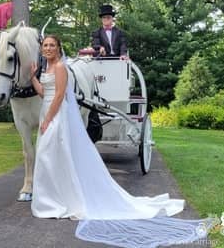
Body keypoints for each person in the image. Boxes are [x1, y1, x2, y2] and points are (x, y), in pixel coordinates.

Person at [29, 35, 210, 247]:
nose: (48, 48)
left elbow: (59, 96)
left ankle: (58, 200)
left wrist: (48, 119)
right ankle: (53, 198)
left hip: (56, 116)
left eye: (52, 45)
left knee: (49, 155)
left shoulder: (60, 67)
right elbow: (44, 92)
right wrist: (33, 77)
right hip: (47, 112)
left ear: (59, 48)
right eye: (45, 45)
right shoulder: (46, 69)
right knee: (50, 157)